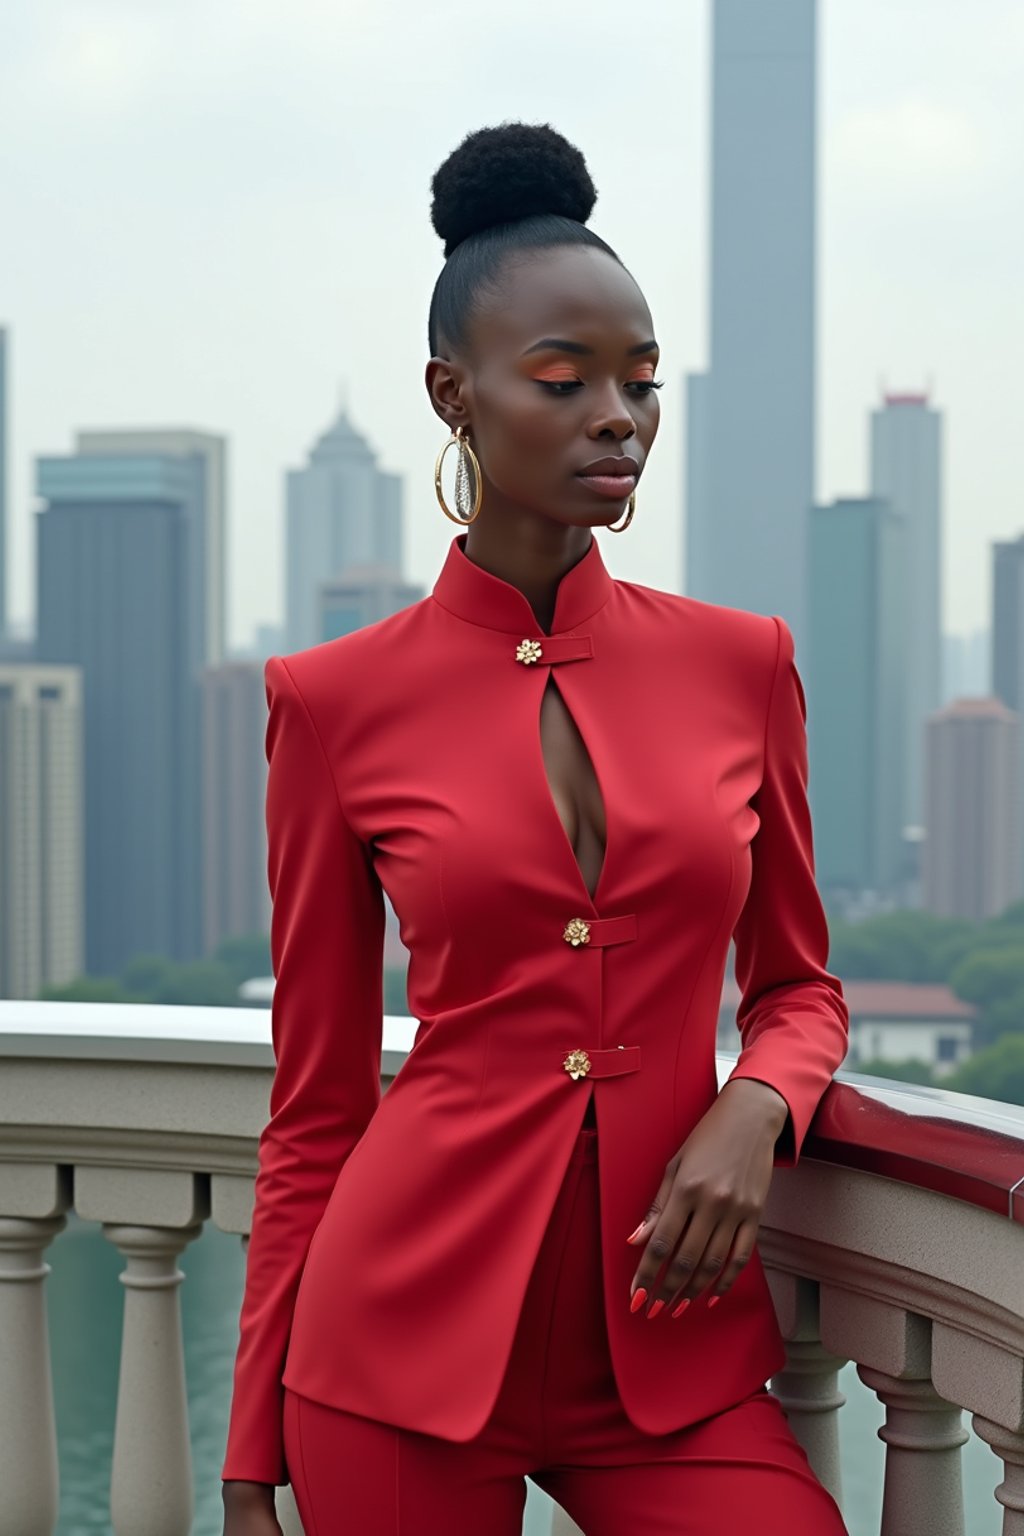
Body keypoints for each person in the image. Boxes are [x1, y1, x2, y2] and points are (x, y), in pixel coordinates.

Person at [221, 122, 851, 1536]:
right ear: (454, 395)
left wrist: (758, 1107)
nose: (616, 418)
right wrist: (249, 1455)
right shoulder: (330, 701)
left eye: (640, 385)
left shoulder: (743, 662)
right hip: (396, 1351)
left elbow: (801, 989)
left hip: (669, 1367)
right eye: (563, 383)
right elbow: (314, 1106)